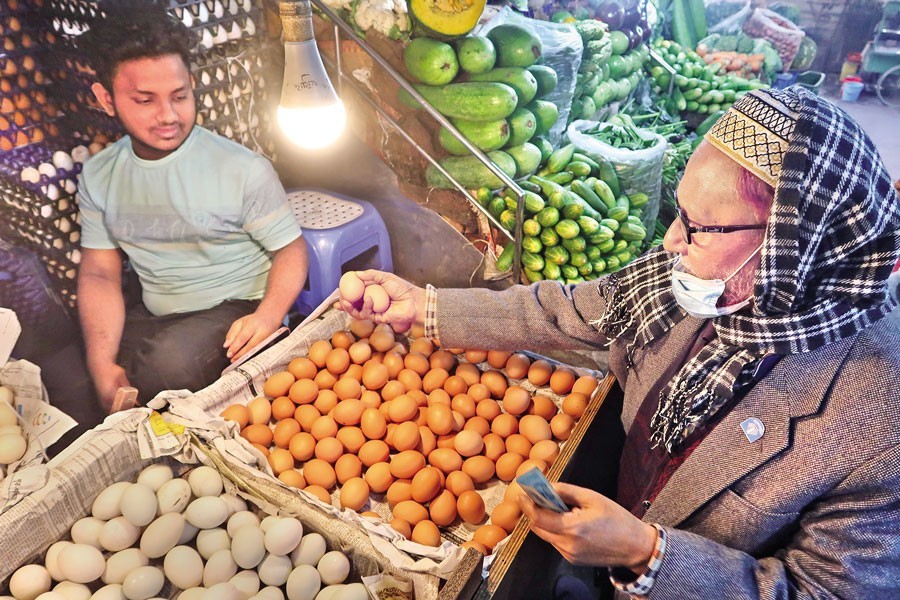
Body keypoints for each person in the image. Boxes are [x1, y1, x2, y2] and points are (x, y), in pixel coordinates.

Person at [337, 87, 900, 598]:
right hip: (625, 503)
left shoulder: (877, 420)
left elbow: (829, 592)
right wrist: (425, 307)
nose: (672, 240)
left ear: (788, 247)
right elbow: (567, 312)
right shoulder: (703, 280)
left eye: (699, 227)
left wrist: (648, 554)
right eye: (679, 214)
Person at [76, 0, 308, 412]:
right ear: (106, 99)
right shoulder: (99, 175)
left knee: (166, 369)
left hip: (236, 308)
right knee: (71, 377)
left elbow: (290, 250)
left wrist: (267, 317)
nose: (168, 116)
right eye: (145, 100)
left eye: (179, 96)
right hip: (156, 314)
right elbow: (99, 274)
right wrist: (100, 364)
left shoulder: (241, 168)